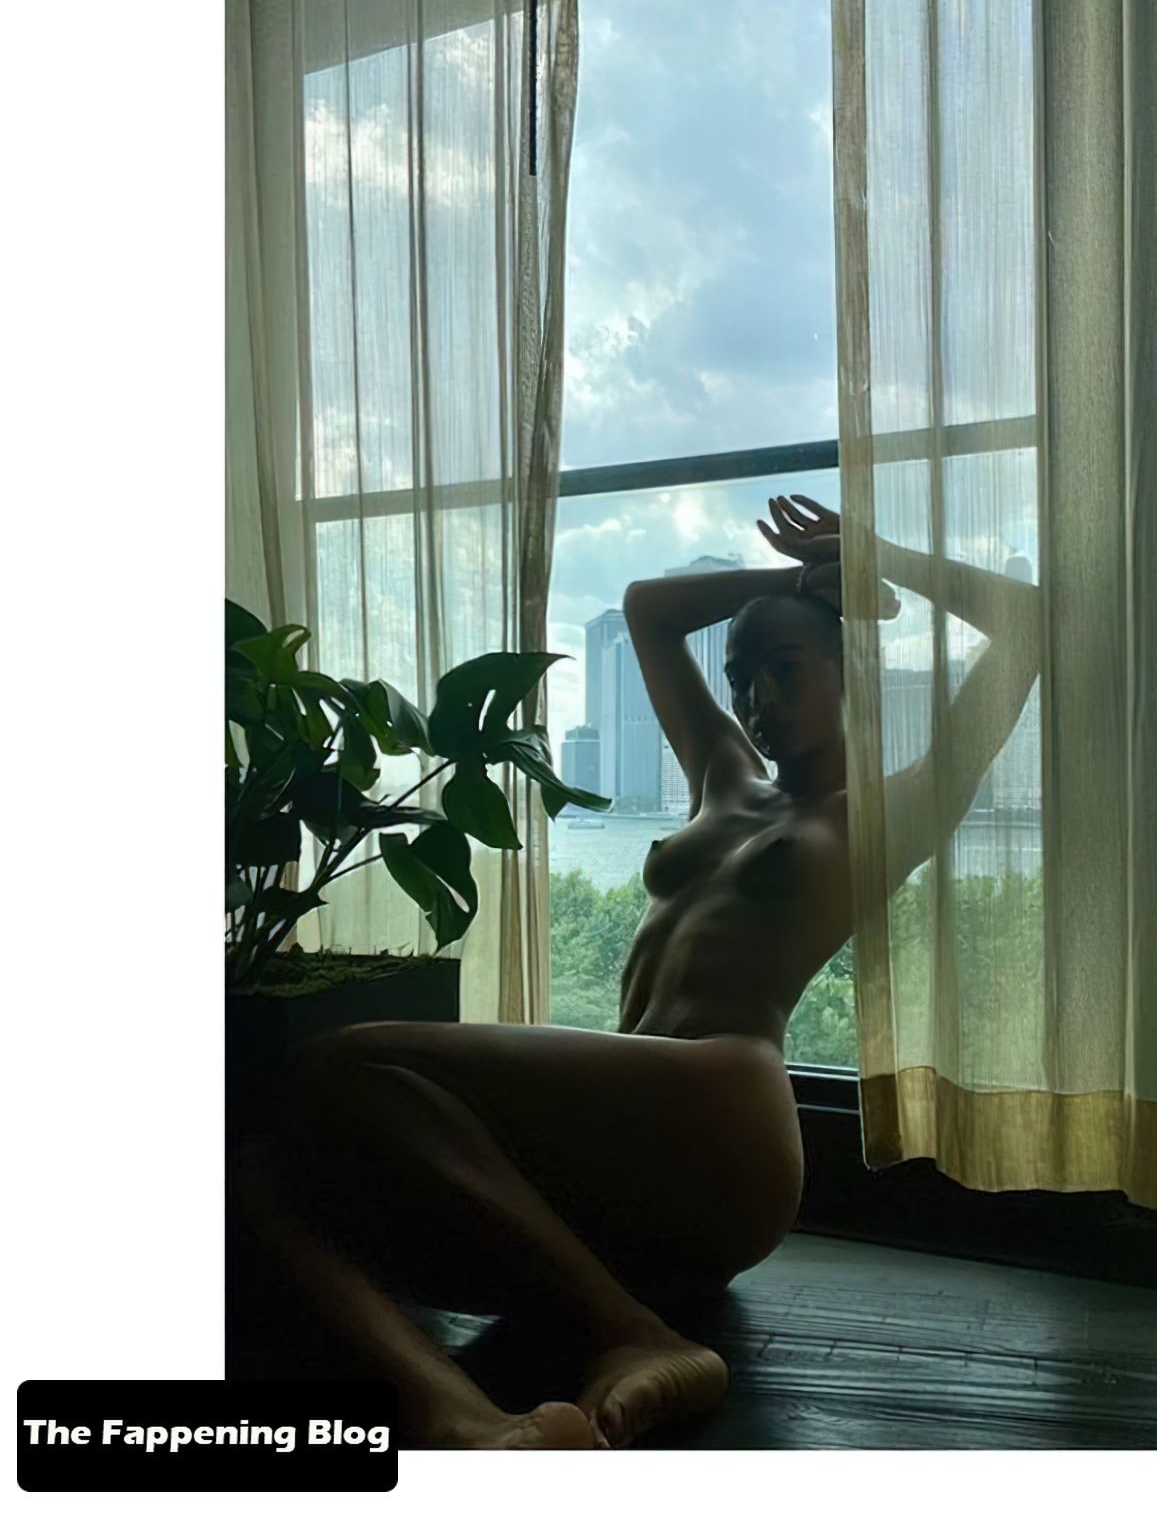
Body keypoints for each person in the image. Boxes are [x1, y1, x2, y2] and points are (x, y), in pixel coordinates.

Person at [236, 493, 1041, 1450]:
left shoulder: (885, 815)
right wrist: (798, 579)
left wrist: (875, 561)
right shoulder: (725, 776)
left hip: (725, 1112)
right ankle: (461, 1421)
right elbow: (647, 611)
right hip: (635, 1147)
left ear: (847, 672)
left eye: (786, 670)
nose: (759, 700)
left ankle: (634, 1335)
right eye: (743, 679)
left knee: (347, 1064)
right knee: (259, 1176)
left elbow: (1027, 623)